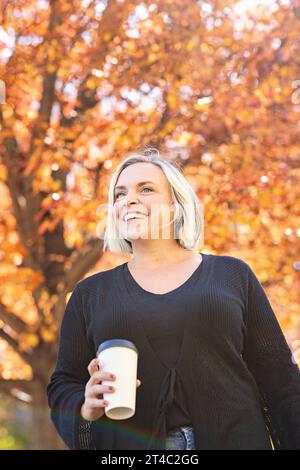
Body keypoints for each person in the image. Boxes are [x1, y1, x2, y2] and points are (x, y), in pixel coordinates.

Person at [46, 148, 300, 450]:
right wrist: (84, 406)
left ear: (177, 206)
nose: (130, 200)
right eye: (120, 194)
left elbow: (279, 376)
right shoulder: (90, 295)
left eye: (146, 189)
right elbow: (63, 385)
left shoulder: (233, 275)